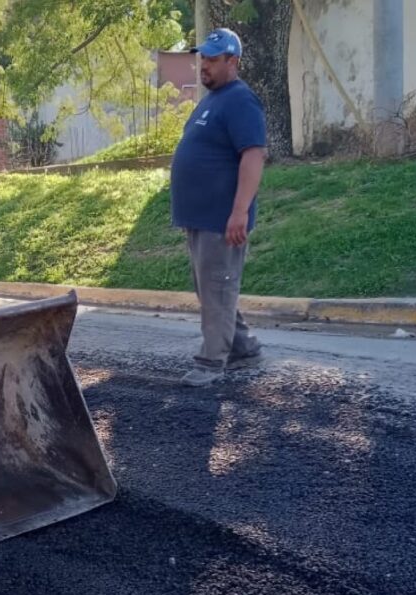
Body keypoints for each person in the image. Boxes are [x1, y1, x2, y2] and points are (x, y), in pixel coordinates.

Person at [170, 28, 267, 387]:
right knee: (213, 290)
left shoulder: (241, 100)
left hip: (221, 219)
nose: (204, 65)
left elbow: (253, 155)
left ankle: (211, 364)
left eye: (212, 59)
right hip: (200, 219)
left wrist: (239, 211)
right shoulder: (212, 100)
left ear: (232, 61)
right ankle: (245, 349)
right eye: (203, 58)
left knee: (217, 288)